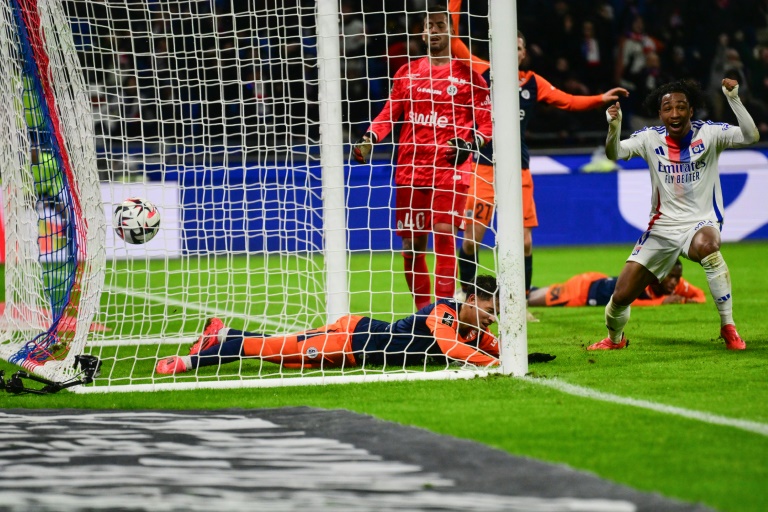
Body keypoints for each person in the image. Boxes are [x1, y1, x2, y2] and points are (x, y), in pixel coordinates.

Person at [452, 29, 628, 321]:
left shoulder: (534, 83)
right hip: (484, 165)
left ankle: (519, 304)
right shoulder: (485, 72)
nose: (515, 51)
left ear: (524, 53)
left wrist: (600, 98)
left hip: (518, 168)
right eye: (510, 46)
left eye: (519, 47)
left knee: (524, 242)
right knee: (472, 239)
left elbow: (568, 101)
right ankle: (466, 296)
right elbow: (456, 44)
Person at [592, 78, 759, 351]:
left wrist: (733, 99)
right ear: (660, 114)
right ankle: (614, 340)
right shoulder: (649, 138)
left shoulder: (710, 133)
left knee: (709, 246)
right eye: (668, 108)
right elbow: (614, 153)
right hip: (662, 228)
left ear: (691, 111)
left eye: (681, 107)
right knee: (620, 296)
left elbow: (751, 136)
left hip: (700, 222)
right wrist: (614, 126)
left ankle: (728, 326)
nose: (675, 114)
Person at [352, 4, 492, 310]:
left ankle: (441, 312)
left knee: (444, 236)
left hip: (449, 168)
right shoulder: (408, 72)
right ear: (422, 32)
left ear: (451, 31)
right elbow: (389, 112)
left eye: (441, 26)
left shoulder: (468, 75)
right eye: (430, 26)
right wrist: (371, 137)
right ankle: (421, 314)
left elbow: (487, 121)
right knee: (411, 247)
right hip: (410, 170)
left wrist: (472, 143)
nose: (435, 31)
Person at [155, 275, 554, 375]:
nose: (491, 315)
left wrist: (521, 357)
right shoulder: (443, 313)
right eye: (488, 306)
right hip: (350, 339)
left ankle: (220, 334)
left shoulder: (473, 327)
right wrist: (494, 364)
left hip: (354, 349)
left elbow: (491, 348)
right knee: (270, 351)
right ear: (471, 299)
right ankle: (187, 363)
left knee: (286, 352)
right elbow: (453, 350)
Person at [528, 260, 705, 308]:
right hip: (583, 292)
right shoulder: (642, 281)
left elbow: (700, 296)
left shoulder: (675, 285)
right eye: (671, 277)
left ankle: (513, 290)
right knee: (528, 300)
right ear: (660, 274)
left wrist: (685, 301)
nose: (675, 282)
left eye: (678, 277)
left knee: (531, 294)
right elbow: (631, 302)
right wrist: (662, 302)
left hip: (597, 281)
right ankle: (507, 293)